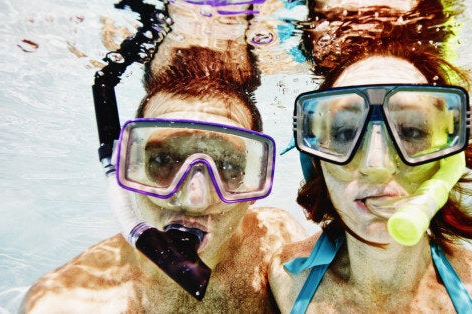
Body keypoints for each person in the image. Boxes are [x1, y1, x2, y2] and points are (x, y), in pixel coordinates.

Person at [269, 0, 472, 312]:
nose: (377, 166)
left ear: (449, 158)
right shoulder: (285, 275)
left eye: (412, 131)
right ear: (315, 160)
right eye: (343, 133)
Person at [22, 1, 306, 312]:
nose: (194, 199)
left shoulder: (277, 239)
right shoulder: (67, 302)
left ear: (253, 181)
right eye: (163, 161)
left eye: (227, 165)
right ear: (125, 167)